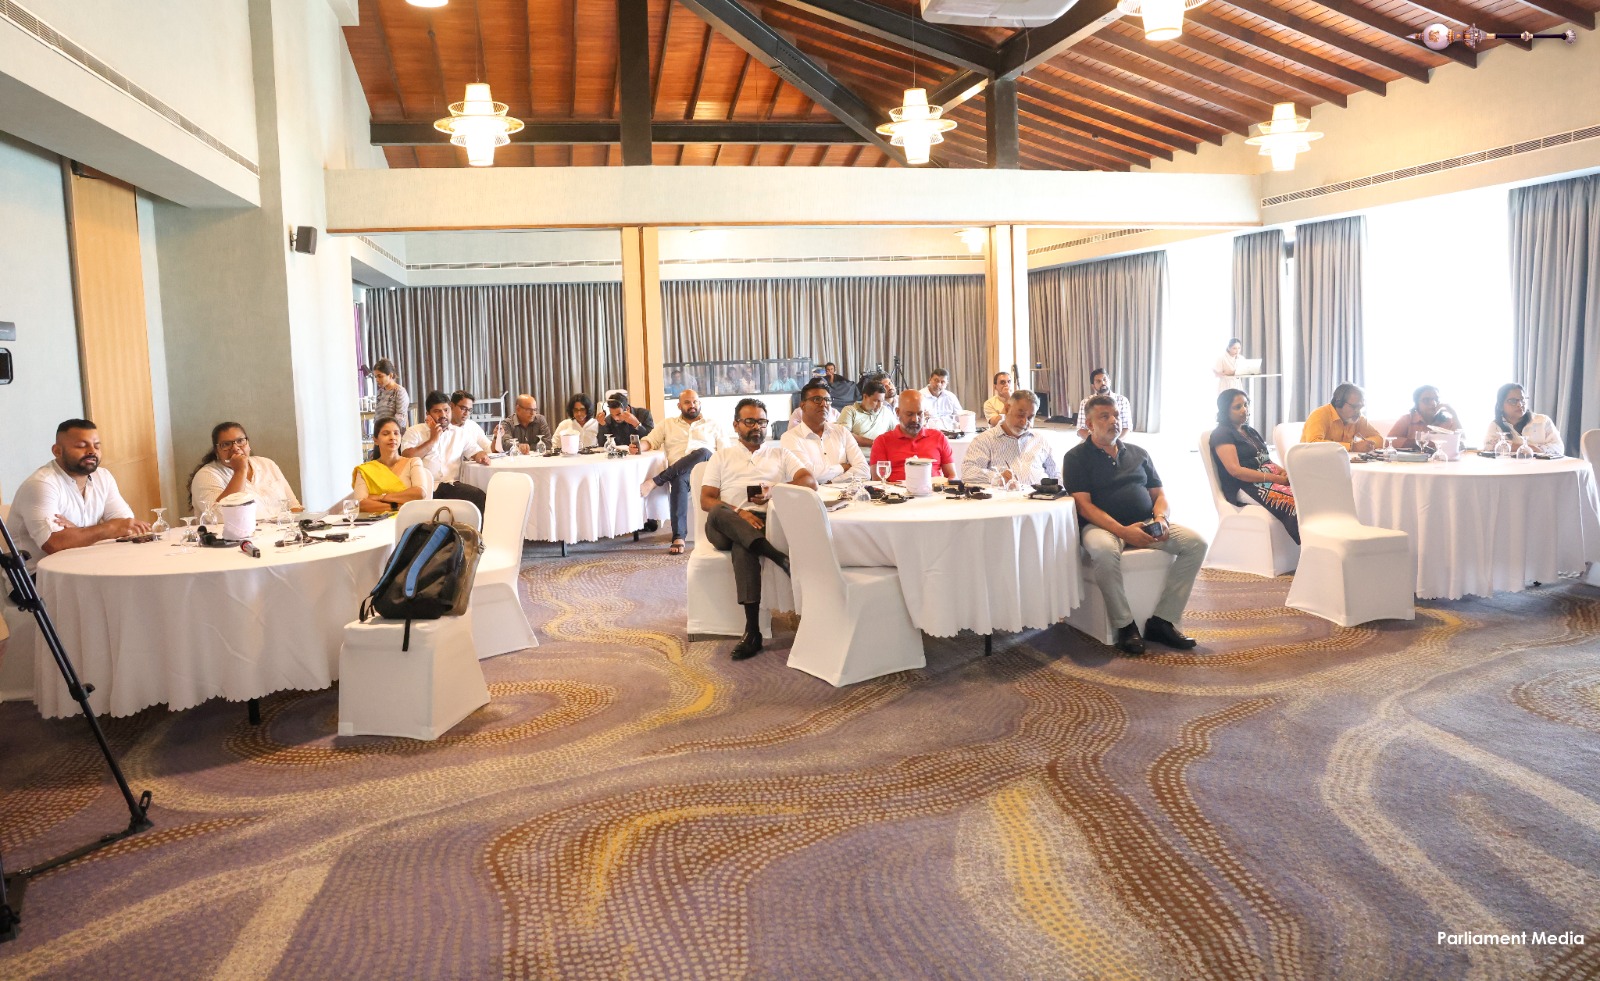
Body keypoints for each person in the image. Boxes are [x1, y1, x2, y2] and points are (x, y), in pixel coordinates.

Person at [1064, 395, 1208, 655]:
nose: (1113, 421)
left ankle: (1163, 621)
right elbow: (1084, 506)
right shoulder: (1076, 457)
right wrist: (1123, 531)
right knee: (1104, 551)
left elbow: (1159, 495)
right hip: (1102, 527)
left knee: (1196, 543)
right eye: (1105, 416)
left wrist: (1161, 518)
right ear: (1090, 424)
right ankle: (1125, 625)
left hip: (1147, 522)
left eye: (1116, 416)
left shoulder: (1139, 453)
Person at [700, 398, 817, 660]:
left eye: (762, 422)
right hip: (724, 525)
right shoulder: (722, 456)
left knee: (744, 547)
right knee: (719, 511)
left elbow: (810, 482)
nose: (757, 427)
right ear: (736, 425)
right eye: (750, 421)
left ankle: (752, 632)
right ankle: (778, 557)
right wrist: (739, 512)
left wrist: (774, 490)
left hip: (764, 525)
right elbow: (707, 500)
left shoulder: (779, 454)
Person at [11, 419, 149, 572]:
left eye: (97, 446)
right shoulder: (41, 484)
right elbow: (54, 544)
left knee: (141, 570)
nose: (92, 451)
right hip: (40, 576)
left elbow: (126, 527)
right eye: (82, 446)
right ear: (57, 451)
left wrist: (78, 531)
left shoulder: (103, 476)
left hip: (89, 565)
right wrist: (108, 528)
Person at [640, 388, 730, 555]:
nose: (692, 405)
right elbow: (650, 440)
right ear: (679, 405)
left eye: (695, 402)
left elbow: (725, 453)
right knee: (679, 480)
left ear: (700, 403)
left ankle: (657, 480)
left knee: (703, 451)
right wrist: (638, 447)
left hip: (707, 469)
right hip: (680, 473)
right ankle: (678, 537)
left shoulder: (713, 424)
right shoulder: (667, 424)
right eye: (687, 402)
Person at [1209, 389, 1298, 543]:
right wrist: (1276, 479)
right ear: (1225, 410)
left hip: (1268, 480)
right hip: (1245, 486)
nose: (1244, 410)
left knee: (1304, 494)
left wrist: (1283, 472)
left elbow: (1266, 460)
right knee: (1294, 503)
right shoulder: (1221, 434)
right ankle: (1307, 545)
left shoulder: (1249, 431)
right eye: (1237, 407)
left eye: (1246, 404)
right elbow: (1235, 471)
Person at [189, 421, 303, 517]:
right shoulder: (206, 475)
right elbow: (219, 515)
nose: (235, 448)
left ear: (248, 443)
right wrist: (240, 471)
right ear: (216, 450)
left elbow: (293, 505)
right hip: (234, 536)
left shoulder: (267, 464)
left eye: (240, 441)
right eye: (226, 444)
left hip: (279, 532)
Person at [402, 390, 490, 508]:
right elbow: (407, 457)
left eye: (446, 410)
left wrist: (482, 457)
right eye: (437, 411)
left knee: (479, 496)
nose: (443, 415)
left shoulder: (460, 433)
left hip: (450, 485)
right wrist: (433, 439)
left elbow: (476, 451)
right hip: (423, 487)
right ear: (428, 414)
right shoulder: (415, 432)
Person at [961, 390, 1058, 488]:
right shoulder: (985, 440)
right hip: (1002, 497)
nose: (1024, 422)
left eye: (1030, 418)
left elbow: (1056, 474)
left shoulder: (1039, 440)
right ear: (1007, 409)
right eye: (1020, 415)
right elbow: (968, 472)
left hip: (1039, 495)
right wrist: (997, 478)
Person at [781, 378, 868, 484]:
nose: (824, 404)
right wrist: (841, 467)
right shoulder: (790, 437)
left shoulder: (841, 432)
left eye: (827, 400)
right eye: (817, 399)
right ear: (803, 406)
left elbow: (864, 470)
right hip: (812, 494)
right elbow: (806, 475)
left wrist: (833, 482)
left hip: (845, 493)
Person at [869, 389, 955, 483]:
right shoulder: (882, 442)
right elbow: (878, 483)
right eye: (909, 414)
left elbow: (952, 476)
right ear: (897, 412)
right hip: (896, 491)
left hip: (934, 490)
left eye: (920, 414)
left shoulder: (938, 437)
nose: (915, 419)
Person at [353, 416, 431, 512]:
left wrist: (380, 497)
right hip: (375, 520)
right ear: (376, 440)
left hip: (408, 519)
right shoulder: (365, 470)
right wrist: (396, 507)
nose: (392, 437)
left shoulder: (413, 462)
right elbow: (361, 504)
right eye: (386, 434)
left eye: (396, 433)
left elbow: (420, 493)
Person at [1484, 383, 1564, 455]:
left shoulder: (1543, 421)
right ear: (1501, 406)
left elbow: (1558, 448)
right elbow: (1489, 446)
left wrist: (1532, 448)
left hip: (1542, 466)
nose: (1520, 404)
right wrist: (1530, 448)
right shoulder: (1495, 426)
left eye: (1522, 399)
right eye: (1513, 401)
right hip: (1510, 466)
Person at [1301, 383, 1381, 452]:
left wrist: (1367, 444)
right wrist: (1352, 447)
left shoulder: (1357, 418)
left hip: (1341, 463)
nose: (1358, 412)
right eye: (1354, 407)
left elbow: (1379, 439)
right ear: (1339, 403)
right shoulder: (1320, 415)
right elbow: (1313, 445)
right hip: (1313, 463)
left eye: (1360, 407)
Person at [1388, 385, 1461, 450]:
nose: (1433, 403)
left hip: (1440, 459)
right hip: (1414, 460)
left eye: (1436, 399)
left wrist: (1454, 415)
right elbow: (1389, 442)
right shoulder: (1407, 419)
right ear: (1417, 403)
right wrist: (1420, 443)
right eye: (1426, 400)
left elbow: (1461, 443)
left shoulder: (1446, 421)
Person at [837, 378, 896, 449]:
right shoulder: (850, 411)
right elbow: (844, 435)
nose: (879, 405)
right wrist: (876, 443)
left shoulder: (885, 411)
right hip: (858, 454)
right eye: (876, 401)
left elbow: (899, 431)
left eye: (882, 401)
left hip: (881, 454)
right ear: (865, 397)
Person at [1075, 368, 1132, 438]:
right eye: (1098, 381)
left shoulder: (1122, 400)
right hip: (1093, 440)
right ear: (1093, 386)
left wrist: (1114, 442)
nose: (1103, 383)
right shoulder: (1085, 402)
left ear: (1110, 382)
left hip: (1117, 440)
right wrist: (1095, 442)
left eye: (1105, 380)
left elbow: (1127, 427)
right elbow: (1081, 429)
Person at [370, 358, 411, 426]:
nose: (377, 380)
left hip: (393, 430)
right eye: (376, 377)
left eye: (380, 376)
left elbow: (401, 418)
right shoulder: (380, 392)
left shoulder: (399, 391)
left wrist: (386, 428)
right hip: (380, 429)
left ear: (390, 375)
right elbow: (377, 415)